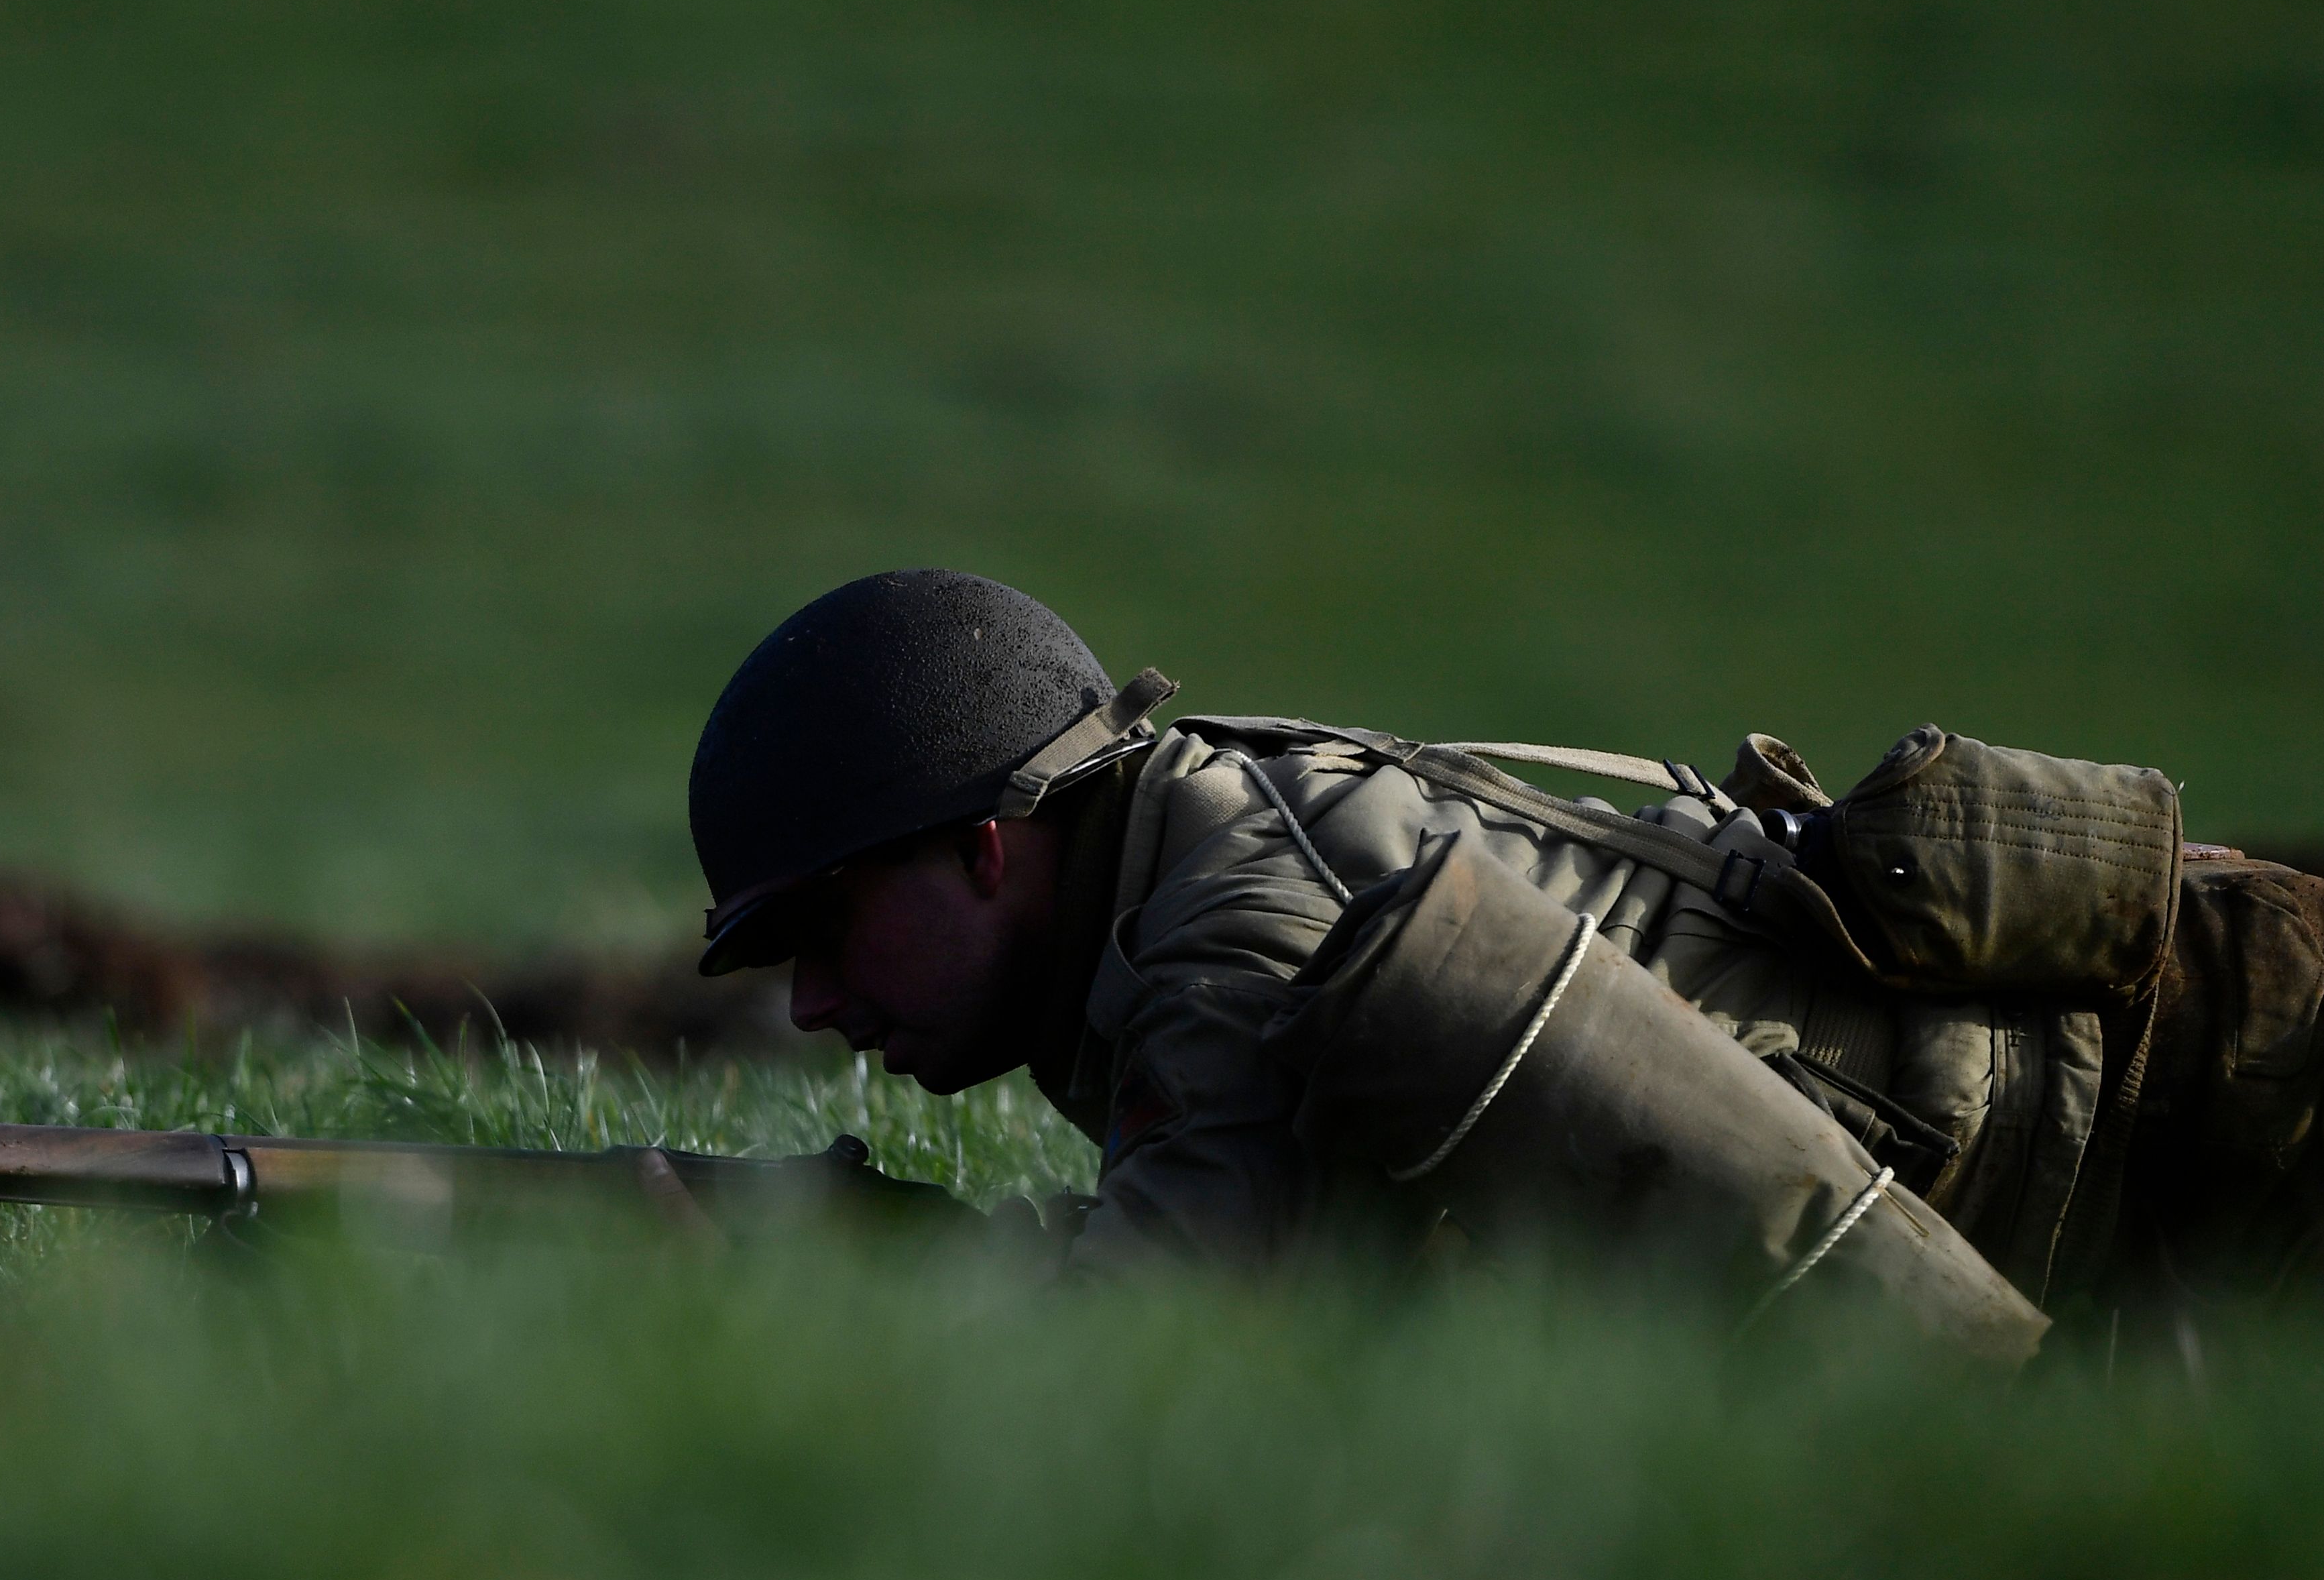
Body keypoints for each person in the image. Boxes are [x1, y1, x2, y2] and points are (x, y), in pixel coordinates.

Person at [687, 570, 2322, 1338]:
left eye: (823, 929)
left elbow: (1146, 1344)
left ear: (986, 846)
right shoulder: (1189, 846)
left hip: (2229, 1098)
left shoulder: (1239, 917)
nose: (814, 1002)